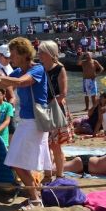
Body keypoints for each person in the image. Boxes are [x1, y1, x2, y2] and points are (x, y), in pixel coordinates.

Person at [0, 37, 51, 210]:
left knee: (17, 161)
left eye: (14, 54)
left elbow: (19, 83)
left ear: (24, 54)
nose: (11, 58)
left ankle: (35, 198)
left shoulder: (37, 69)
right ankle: (35, 195)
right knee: (17, 161)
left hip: (35, 122)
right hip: (26, 121)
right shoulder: (18, 71)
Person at [38, 40, 70, 182]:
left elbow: (63, 93)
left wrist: (48, 105)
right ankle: (48, 173)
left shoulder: (59, 69)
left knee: (55, 145)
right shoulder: (40, 68)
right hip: (44, 110)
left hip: (55, 110)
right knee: (46, 144)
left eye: (42, 52)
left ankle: (60, 174)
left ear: (51, 54)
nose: (39, 55)